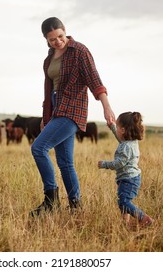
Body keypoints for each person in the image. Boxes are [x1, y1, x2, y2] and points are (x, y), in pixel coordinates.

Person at [30, 17, 115, 216]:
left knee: (38, 148)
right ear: (46, 40)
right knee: (65, 162)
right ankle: (76, 207)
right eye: (52, 39)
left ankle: (51, 201)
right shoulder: (49, 59)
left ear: (65, 31)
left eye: (60, 36)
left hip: (72, 109)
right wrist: (46, 116)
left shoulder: (79, 51)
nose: (57, 41)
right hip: (56, 109)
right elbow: (48, 90)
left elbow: (94, 80)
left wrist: (106, 106)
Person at [98, 112, 154, 228]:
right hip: (129, 178)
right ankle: (126, 224)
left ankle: (144, 218)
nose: (117, 130)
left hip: (129, 180)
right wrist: (113, 127)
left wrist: (104, 164)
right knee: (124, 202)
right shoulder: (130, 142)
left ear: (123, 130)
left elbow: (119, 163)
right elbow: (119, 137)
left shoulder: (126, 147)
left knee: (124, 202)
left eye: (117, 127)